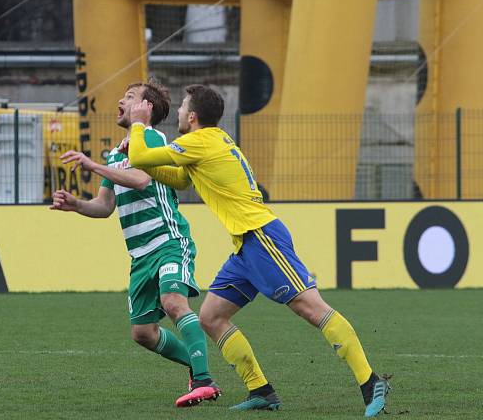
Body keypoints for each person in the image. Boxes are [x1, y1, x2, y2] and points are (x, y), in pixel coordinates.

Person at [127, 84, 390, 416]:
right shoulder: (210, 141)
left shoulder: (199, 141)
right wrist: (140, 156)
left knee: (312, 308)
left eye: (181, 107)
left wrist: (138, 125)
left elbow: (139, 156)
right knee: (211, 317)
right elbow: (179, 180)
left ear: (192, 116)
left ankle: (371, 382)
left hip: (262, 237)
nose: (177, 112)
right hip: (245, 245)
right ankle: (261, 391)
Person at [50, 80, 221, 408]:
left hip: (168, 240)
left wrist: (93, 165)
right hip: (140, 255)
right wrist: (76, 205)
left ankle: (202, 381)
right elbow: (104, 206)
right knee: (142, 333)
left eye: (130, 97)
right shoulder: (115, 154)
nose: (121, 100)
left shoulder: (153, 139)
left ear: (147, 108)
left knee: (173, 302)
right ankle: (198, 367)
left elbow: (143, 178)